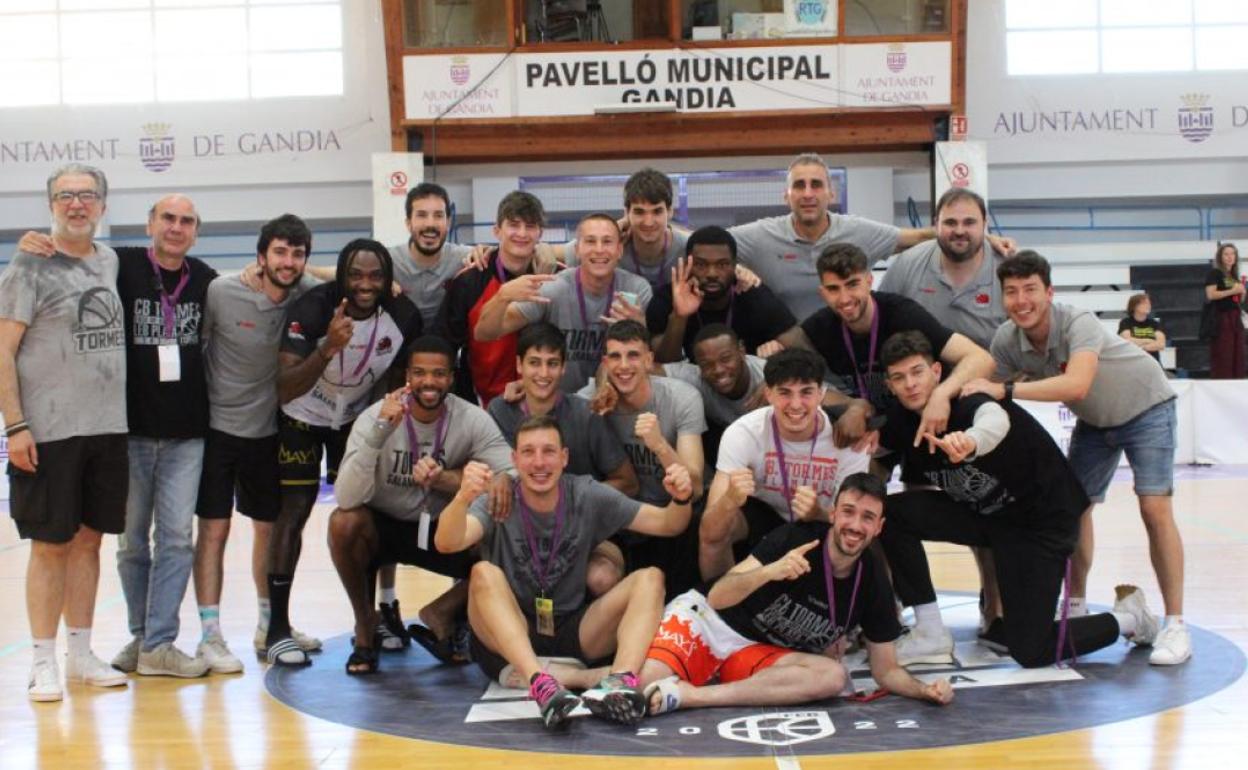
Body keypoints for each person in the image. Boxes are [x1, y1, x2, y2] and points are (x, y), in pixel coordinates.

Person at [16, 194, 219, 677]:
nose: (175, 227)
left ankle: (161, 642)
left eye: (186, 221)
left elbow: (263, 280)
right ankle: (141, 637)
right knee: (130, 544)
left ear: (196, 230)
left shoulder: (207, 279)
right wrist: (32, 241)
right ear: (149, 224)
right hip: (125, 431)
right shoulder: (118, 264)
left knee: (175, 538)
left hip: (187, 432)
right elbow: (69, 249)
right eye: (167, 218)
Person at [878, 330, 1162, 667]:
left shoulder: (968, 399)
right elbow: (868, 444)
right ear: (889, 384)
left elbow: (994, 421)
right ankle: (928, 631)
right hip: (989, 517)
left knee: (1031, 649)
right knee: (886, 514)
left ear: (937, 372)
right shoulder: (902, 420)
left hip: (1040, 524)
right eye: (899, 377)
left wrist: (970, 442)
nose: (910, 384)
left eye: (917, 372)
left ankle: (1131, 618)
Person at [962, 250, 1190, 665]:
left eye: (1030, 289)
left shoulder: (1077, 321)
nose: (1021, 300)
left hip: (1147, 405)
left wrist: (1007, 390)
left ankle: (1175, 624)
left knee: (1154, 508)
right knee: (1072, 510)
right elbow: (983, 390)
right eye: (1011, 292)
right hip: (1096, 423)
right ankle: (1076, 608)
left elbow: (1077, 385)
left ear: (1048, 292)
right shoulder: (1006, 340)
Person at [434, 414, 696, 728]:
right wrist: (463, 496)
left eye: (548, 451)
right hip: (507, 638)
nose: (539, 462)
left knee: (650, 578)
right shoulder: (499, 496)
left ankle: (620, 683)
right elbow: (447, 543)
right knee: (483, 573)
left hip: (572, 629)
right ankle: (541, 684)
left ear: (564, 457)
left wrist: (681, 498)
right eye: (528, 452)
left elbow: (668, 524)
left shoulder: (586, 493)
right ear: (514, 459)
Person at [621, 473, 953, 715]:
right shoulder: (797, 538)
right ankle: (576, 675)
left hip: (759, 653)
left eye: (867, 518)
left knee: (832, 675)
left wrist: (924, 690)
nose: (855, 525)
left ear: (879, 527)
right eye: (849, 512)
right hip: (711, 624)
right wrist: (770, 571)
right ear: (833, 514)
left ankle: (695, 696)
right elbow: (718, 596)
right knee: (644, 683)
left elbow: (886, 670)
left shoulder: (873, 580)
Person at [0, 164, 129, 701]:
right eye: (66, 196)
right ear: (51, 205)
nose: (77, 204)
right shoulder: (29, 262)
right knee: (49, 545)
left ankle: (80, 653)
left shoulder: (110, 259)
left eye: (87, 195)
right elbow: (3, 350)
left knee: (89, 541)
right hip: (49, 431)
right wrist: (16, 426)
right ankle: (41, 660)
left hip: (107, 427)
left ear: (102, 204)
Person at [264, 239, 422, 666]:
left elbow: (396, 376)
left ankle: (379, 614)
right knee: (293, 513)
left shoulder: (403, 315)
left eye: (375, 276)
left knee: (372, 512)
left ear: (388, 279)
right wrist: (326, 347)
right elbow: (285, 386)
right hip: (299, 416)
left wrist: (383, 424)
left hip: (353, 418)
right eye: (356, 275)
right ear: (342, 275)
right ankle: (277, 627)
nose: (365, 284)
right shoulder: (315, 309)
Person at [329, 336, 515, 673]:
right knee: (344, 522)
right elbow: (346, 498)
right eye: (419, 373)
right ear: (407, 378)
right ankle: (365, 627)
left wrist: (459, 478)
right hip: (385, 529)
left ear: (451, 379)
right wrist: (380, 432)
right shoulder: (377, 418)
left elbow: (512, 474)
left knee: (509, 527)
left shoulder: (471, 418)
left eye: (438, 374)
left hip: (444, 532)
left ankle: (444, 611)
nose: (429, 382)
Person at [194, 214, 316, 673]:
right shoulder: (223, 292)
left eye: (298, 253)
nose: (288, 262)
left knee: (268, 529)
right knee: (215, 531)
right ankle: (210, 634)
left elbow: (335, 280)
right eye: (280, 252)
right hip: (217, 430)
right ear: (261, 255)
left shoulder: (304, 295)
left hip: (269, 432)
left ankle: (270, 626)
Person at [797, 242, 996, 453]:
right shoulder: (818, 328)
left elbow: (981, 359)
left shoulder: (904, 315)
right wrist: (852, 404)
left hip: (925, 421)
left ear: (869, 281)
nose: (845, 298)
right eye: (833, 289)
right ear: (822, 292)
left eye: (852, 284)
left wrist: (941, 395)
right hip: (873, 427)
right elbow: (790, 384)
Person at [699, 349, 871, 581]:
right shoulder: (743, 432)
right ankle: (717, 607)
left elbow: (854, 520)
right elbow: (709, 530)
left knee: (862, 537)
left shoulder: (849, 439)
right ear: (768, 394)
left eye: (806, 392)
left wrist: (817, 513)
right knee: (716, 530)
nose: (796, 404)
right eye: (785, 393)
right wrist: (730, 500)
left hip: (821, 525)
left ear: (821, 394)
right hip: (764, 516)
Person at [729, 153, 937, 321]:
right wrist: (735, 267)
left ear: (831, 193)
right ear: (787, 196)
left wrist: (962, 229)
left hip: (846, 356)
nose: (808, 194)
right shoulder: (762, 236)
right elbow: (700, 241)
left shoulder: (857, 231)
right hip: (788, 356)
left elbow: (918, 237)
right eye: (800, 185)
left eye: (816, 185)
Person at [583, 321, 706, 596]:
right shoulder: (590, 403)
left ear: (649, 360)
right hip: (621, 521)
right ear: (605, 363)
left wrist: (660, 445)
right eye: (615, 356)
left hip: (674, 517)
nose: (623, 365)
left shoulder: (681, 398)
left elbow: (695, 487)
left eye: (633, 355)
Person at [475, 213, 652, 392]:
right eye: (590, 241)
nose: (599, 249)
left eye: (607, 242)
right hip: (561, 407)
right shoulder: (554, 288)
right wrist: (502, 296)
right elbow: (484, 333)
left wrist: (641, 328)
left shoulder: (636, 290)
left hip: (617, 401)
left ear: (619, 250)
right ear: (576, 250)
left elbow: (653, 361)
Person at [434, 191, 547, 404]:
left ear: (540, 233)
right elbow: (444, 345)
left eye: (530, 226)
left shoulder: (556, 276)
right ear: (497, 231)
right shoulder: (468, 281)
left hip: (544, 400)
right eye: (514, 225)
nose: (522, 233)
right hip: (483, 402)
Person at [647, 226, 800, 363]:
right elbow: (662, 364)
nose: (712, 274)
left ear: (735, 266)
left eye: (722, 265)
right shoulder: (666, 298)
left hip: (746, 385)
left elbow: (804, 351)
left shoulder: (754, 295)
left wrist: (780, 355)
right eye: (701, 265)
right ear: (689, 264)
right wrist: (679, 317)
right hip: (686, 385)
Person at [878, 188, 1006, 350]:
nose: (959, 231)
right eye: (950, 222)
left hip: (992, 374)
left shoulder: (1008, 269)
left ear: (985, 224)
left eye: (969, 222)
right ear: (936, 224)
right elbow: (880, 324)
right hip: (923, 372)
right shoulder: (907, 264)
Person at [553, 167, 689, 291]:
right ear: (626, 213)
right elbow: (550, 252)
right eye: (639, 212)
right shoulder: (612, 244)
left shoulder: (687, 246)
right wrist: (612, 232)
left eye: (657, 211)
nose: (648, 222)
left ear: (670, 212)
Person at [1205, 243, 1245, 379]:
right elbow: (1211, 295)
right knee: (1224, 354)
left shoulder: (1234, 276)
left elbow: (1238, 300)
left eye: (1232, 254)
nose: (1230, 257)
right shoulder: (1215, 273)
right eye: (1226, 254)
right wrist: (1233, 290)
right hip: (1221, 317)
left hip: (1235, 317)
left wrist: (1242, 292)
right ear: (1220, 257)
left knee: (1238, 354)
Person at [1118, 293, 1167, 366]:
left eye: (1149, 304)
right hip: (1132, 362)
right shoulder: (1126, 322)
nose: (1148, 306)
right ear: (1134, 306)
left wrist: (1142, 347)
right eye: (1144, 303)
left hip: (1153, 362)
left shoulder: (1154, 323)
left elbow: (1161, 344)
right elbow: (1127, 340)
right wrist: (1148, 340)